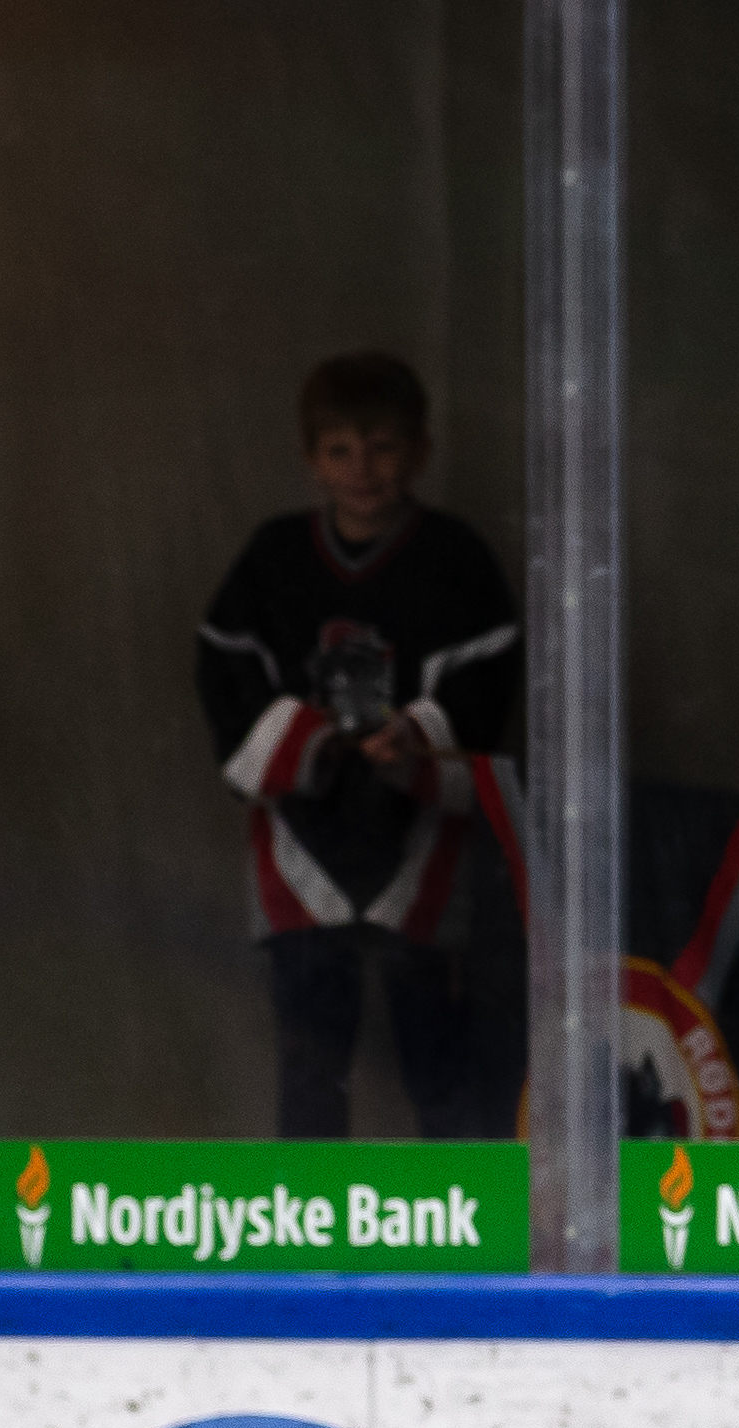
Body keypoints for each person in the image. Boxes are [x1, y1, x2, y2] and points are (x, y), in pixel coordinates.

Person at [191, 351, 524, 1138]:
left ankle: (460, 1233)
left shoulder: (454, 559)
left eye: (382, 447)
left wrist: (418, 741)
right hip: (301, 853)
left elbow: (489, 676)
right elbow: (224, 668)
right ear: (311, 459)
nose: (363, 469)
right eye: (340, 450)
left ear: (419, 452)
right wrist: (308, 739)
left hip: (419, 853)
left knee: (437, 1059)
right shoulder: (273, 558)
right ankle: (313, 1240)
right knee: (311, 1065)